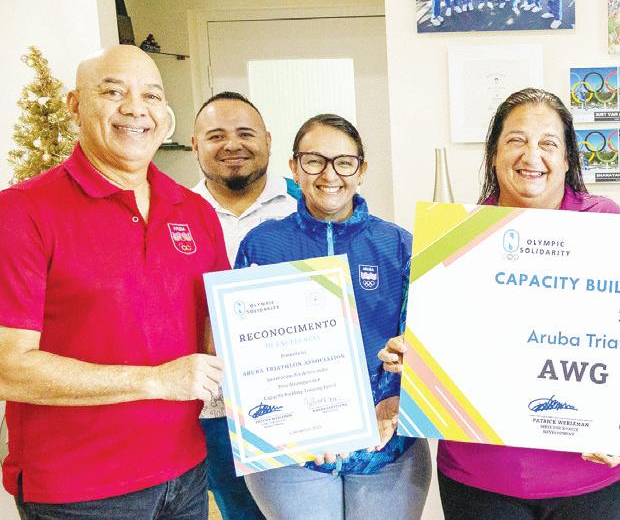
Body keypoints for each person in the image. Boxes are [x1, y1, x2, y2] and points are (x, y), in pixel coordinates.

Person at [380, 89, 620, 519]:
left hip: (590, 474)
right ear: (494, 154)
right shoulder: (455, 236)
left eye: (548, 143)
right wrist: (411, 356)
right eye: (516, 140)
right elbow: (441, 340)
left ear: (568, 158)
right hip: (482, 474)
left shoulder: (606, 221)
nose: (531, 155)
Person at [0, 45, 227, 517]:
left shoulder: (195, 211)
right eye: (113, 92)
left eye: (152, 95)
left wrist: (312, 415)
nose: (136, 109)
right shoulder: (22, 212)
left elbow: (221, 334)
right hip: (79, 491)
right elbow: (7, 367)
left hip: (186, 474)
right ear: (75, 105)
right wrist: (156, 381)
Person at [234, 114, 429, 519]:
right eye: (314, 161)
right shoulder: (263, 245)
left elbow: (421, 341)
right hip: (293, 454)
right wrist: (298, 422)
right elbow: (245, 353)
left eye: (344, 162)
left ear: (362, 169)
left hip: (386, 447)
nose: (329, 175)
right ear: (294, 167)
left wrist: (394, 396)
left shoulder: (397, 245)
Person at [191, 91, 298, 520]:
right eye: (216, 135)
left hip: (297, 398)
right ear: (195, 145)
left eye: (245, 133)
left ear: (268, 140)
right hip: (212, 408)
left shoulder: (308, 202)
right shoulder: (171, 211)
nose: (232, 144)